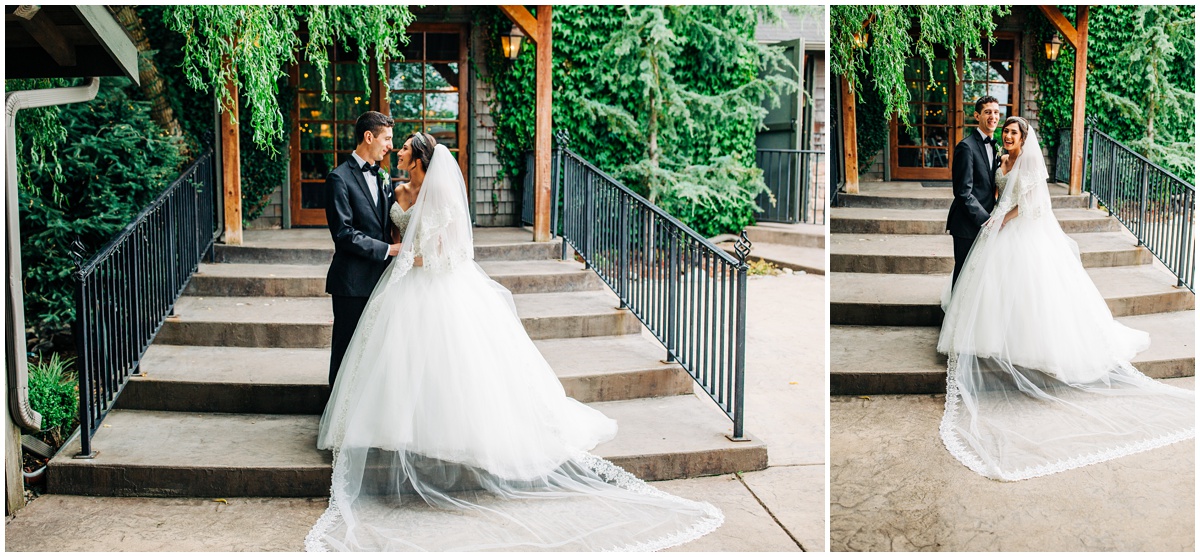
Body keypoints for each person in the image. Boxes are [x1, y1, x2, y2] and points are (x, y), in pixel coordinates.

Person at [305, 134, 723, 551]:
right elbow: (379, 227)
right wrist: (397, 256)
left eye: (404, 149)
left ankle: (449, 433)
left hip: (434, 282)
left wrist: (414, 259)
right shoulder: (394, 187)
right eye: (393, 144)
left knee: (449, 361)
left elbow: (454, 252)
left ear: (419, 158)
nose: (398, 152)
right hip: (398, 282)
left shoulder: (444, 197)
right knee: (392, 358)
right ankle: (389, 425)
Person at [937, 116, 1194, 482]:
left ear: (1024, 137)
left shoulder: (1027, 162)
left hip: (1019, 232)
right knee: (991, 290)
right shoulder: (1000, 159)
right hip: (996, 228)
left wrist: (1003, 220)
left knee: (1029, 292)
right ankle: (991, 339)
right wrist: (995, 217)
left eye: (1013, 132)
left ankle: (1034, 347)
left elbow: (1033, 206)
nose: (1007, 135)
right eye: (1005, 131)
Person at [324, 112, 401, 386]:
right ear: (369, 137)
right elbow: (344, 234)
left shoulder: (383, 176)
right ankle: (336, 420)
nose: (391, 145)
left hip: (382, 280)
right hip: (352, 283)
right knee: (346, 351)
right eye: (387, 138)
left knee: (375, 352)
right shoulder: (338, 178)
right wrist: (389, 250)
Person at [946, 96, 1001, 287]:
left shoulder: (997, 147)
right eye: (987, 112)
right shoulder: (966, 147)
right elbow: (962, 192)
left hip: (987, 219)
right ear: (977, 116)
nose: (992, 116)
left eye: (996, 112)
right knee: (963, 272)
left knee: (979, 274)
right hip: (967, 223)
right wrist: (986, 219)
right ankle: (955, 315)